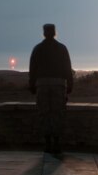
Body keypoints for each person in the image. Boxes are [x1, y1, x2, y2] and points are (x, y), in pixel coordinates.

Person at [28, 23, 74, 154]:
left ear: (44, 33)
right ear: (54, 32)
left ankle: (48, 142)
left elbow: (32, 69)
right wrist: (70, 84)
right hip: (58, 84)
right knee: (57, 113)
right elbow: (67, 68)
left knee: (44, 113)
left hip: (42, 84)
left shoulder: (37, 49)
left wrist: (32, 85)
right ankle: (56, 142)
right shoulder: (62, 48)